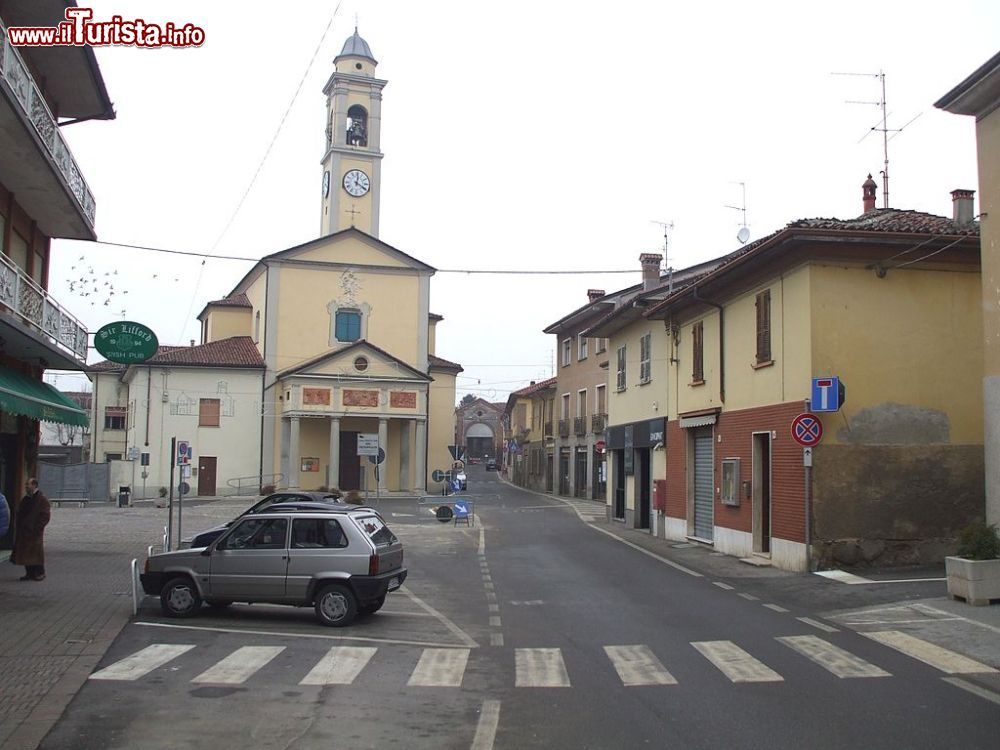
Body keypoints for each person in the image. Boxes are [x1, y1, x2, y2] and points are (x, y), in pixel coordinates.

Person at [12, 478, 50, 581]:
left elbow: (45, 516)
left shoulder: (42, 499)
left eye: (28, 485)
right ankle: (29, 573)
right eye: (25, 485)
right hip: (25, 531)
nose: (26, 487)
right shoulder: (26, 499)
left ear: (34, 485)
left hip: (34, 532)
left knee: (36, 553)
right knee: (26, 553)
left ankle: (40, 573)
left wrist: (37, 528)